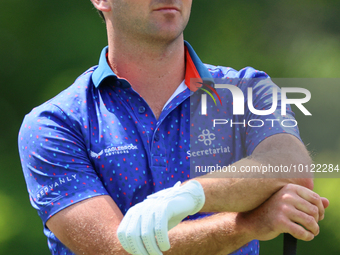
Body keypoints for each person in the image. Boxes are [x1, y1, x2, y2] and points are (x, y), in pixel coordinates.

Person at [18, 0, 329, 254]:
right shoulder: (54, 122)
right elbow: (115, 250)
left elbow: (292, 167)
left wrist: (190, 196)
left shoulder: (248, 88)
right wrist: (248, 225)